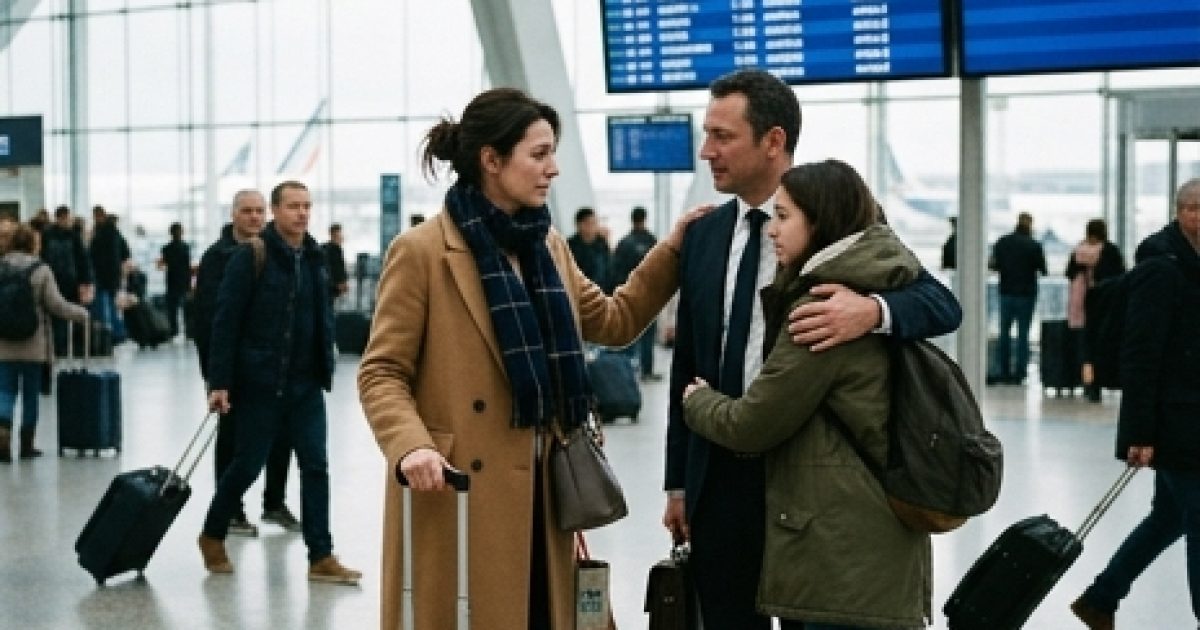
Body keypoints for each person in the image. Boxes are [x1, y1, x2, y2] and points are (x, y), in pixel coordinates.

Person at [357, 87, 701, 630]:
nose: (553, 169)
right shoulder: (422, 252)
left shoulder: (548, 249)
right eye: (538, 154)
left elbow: (613, 320)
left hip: (547, 490)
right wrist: (411, 446)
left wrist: (674, 250)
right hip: (458, 489)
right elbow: (382, 371)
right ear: (491, 161)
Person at [663, 68, 960, 630]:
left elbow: (941, 304)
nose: (707, 151)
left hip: (806, 481)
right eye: (707, 134)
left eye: (722, 136)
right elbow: (689, 367)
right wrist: (678, 482)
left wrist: (872, 311)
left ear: (773, 141)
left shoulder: (837, 224)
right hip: (719, 477)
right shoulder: (702, 236)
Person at [683, 159, 930, 629]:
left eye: (784, 217)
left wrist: (698, 400)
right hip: (874, 527)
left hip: (838, 545)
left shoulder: (823, 310)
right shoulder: (878, 278)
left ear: (820, 221)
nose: (771, 231)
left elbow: (752, 424)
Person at [198, 181, 360, 585]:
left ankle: (320, 554)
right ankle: (213, 531)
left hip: (305, 385)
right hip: (260, 382)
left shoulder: (315, 257)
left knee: (316, 466)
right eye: (293, 206)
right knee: (247, 464)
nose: (302, 213)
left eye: (307, 205)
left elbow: (321, 316)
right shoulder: (250, 256)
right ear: (275, 211)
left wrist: (327, 365)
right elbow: (225, 321)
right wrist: (219, 381)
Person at [1071, 178, 1200, 630]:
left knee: (1168, 518)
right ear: (1183, 212)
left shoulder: (1192, 263)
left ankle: (1101, 597)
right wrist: (1139, 434)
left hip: (1191, 414)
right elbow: (1140, 353)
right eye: (1197, 209)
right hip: (1174, 420)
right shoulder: (1162, 267)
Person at [193, 189, 299, 537]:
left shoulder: (275, 252)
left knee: (281, 433)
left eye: (259, 211)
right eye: (247, 211)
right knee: (232, 439)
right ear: (234, 214)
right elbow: (210, 320)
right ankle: (231, 509)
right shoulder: (217, 258)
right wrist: (215, 374)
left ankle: (274, 502)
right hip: (233, 369)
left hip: (270, 367)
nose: (254, 217)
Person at [0, 223, 90, 462]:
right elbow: (56, 305)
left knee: (5, 391)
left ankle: (2, 435)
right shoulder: (41, 270)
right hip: (33, 346)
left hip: (3, 345)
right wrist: (81, 314)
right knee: (30, 394)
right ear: (34, 243)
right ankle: (27, 445)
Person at [1065, 219, 1125, 402]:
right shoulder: (1110, 251)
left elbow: (1069, 273)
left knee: (1086, 346)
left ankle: (1089, 384)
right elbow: (1120, 276)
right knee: (1102, 344)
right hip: (1105, 304)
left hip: (1083, 303)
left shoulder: (1078, 251)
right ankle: (1102, 381)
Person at [988, 211, 1047, 385]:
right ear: (1030, 225)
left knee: (1004, 334)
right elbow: (1043, 269)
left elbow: (993, 265)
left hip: (1006, 291)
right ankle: (1020, 373)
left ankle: (1003, 371)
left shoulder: (1002, 242)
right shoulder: (1034, 245)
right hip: (1026, 294)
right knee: (1023, 335)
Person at [612, 205, 663, 380]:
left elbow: (616, 270)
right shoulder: (652, 241)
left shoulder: (624, 243)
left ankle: (626, 372)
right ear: (644, 218)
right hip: (649, 296)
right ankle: (647, 371)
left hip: (629, 295)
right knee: (648, 335)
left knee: (628, 332)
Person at [40, 206, 93, 354]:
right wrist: (85, 281)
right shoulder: (71, 236)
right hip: (65, 281)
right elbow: (83, 260)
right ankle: (62, 346)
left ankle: (62, 346)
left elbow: (83, 260)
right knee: (64, 314)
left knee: (61, 315)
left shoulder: (50, 235)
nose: (66, 221)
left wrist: (85, 282)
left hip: (62, 281)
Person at [87, 205, 131, 344]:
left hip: (101, 275)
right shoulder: (115, 232)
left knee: (103, 304)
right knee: (111, 304)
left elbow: (92, 254)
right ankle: (118, 332)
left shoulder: (99, 233)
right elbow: (126, 252)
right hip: (113, 275)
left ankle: (109, 334)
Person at [157, 222, 192, 338]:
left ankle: (173, 331)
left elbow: (161, 266)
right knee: (186, 309)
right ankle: (188, 332)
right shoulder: (186, 247)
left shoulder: (166, 248)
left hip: (172, 281)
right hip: (183, 281)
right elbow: (187, 266)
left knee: (172, 309)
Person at [567, 206, 612, 292]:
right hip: (583, 293)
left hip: (605, 291)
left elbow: (608, 268)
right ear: (579, 225)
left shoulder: (602, 242)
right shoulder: (570, 246)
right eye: (590, 223)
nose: (594, 226)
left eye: (595, 223)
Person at [320, 223, 349, 302]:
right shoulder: (334, 249)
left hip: (327, 285)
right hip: (331, 285)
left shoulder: (324, 248)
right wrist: (341, 282)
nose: (342, 237)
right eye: (339, 234)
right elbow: (336, 267)